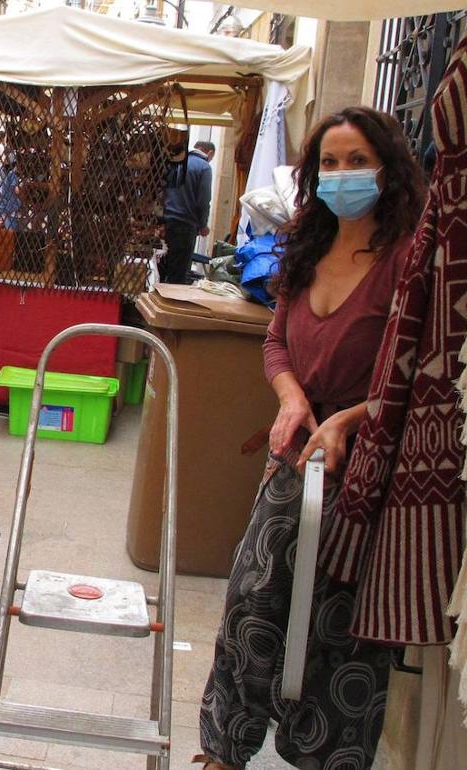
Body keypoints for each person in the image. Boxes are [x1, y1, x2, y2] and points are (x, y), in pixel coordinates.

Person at [197, 108, 426, 770]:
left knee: (342, 626)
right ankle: (225, 748)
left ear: (387, 168)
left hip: (371, 466)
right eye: (329, 161)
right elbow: (276, 341)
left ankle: (323, 760)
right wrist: (292, 395)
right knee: (253, 596)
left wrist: (351, 419)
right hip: (297, 457)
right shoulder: (305, 245)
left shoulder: (409, 260)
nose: (342, 174)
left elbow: (424, 374)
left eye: (358, 161)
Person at [160, 139, 214, 284]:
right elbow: (203, 200)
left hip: (166, 220)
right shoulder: (204, 167)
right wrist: (203, 224)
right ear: (208, 153)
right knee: (179, 272)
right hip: (185, 224)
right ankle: (171, 303)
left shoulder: (176, 162)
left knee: (166, 266)